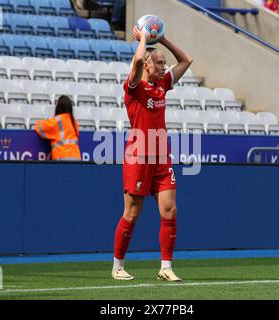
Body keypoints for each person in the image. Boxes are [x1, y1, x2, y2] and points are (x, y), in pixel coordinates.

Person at [111, 25, 193, 282]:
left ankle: (166, 267)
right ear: (147, 66)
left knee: (170, 211)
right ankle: (117, 266)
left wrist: (164, 39)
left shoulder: (162, 85)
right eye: (158, 63)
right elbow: (137, 59)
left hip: (161, 158)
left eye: (164, 63)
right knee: (132, 214)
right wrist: (144, 38)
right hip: (138, 157)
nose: (163, 67)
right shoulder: (134, 88)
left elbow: (186, 60)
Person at [35, 95, 81, 161]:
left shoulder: (57, 121)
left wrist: (44, 121)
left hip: (62, 161)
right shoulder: (74, 122)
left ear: (58, 107)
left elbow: (39, 127)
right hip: (77, 160)